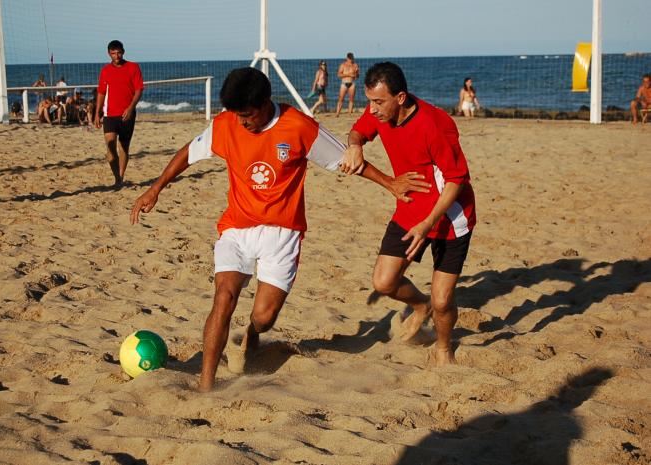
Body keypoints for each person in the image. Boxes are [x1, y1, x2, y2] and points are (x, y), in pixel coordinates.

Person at [130, 67, 427, 392]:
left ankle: (253, 336)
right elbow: (189, 152)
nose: (242, 122)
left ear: (265, 102)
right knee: (224, 297)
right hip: (237, 227)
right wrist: (156, 187)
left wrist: (389, 183)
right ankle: (206, 388)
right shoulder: (226, 124)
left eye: (248, 115)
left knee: (264, 316)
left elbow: (345, 160)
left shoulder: (298, 126)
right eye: (237, 115)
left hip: (282, 234)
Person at [342, 62, 476, 365]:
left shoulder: (435, 125)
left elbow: (456, 181)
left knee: (443, 300)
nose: (372, 109)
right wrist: (354, 145)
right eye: (369, 101)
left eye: (378, 102)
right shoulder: (379, 111)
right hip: (409, 206)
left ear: (400, 97)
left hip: (449, 216)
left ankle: (443, 349)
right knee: (384, 282)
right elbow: (358, 130)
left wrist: (428, 223)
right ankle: (420, 306)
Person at [94, 40, 144, 187]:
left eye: (119, 52)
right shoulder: (105, 70)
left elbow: (139, 90)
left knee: (124, 148)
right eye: (113, 53)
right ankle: (117, 178)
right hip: (109, 115)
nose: (116, 56)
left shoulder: (133, 67)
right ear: (109, 53)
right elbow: (101, 92)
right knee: (110, 150)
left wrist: (130, 108)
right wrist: (97, 112)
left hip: (127, 114)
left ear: (123, 51)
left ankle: (120, 178)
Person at [335, 52, 360, 117]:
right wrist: (348, 75)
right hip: (344, 83)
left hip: (352, 83)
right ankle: (337, 113)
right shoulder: (343, 65)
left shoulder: (355, 65)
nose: (351, 60)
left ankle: (349, 114)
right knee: (341, 99)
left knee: (351, 99)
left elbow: (357, 77)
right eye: (350, 58)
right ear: (347, 58)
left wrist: (357, 73)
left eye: (352, 58)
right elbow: (339, 75)